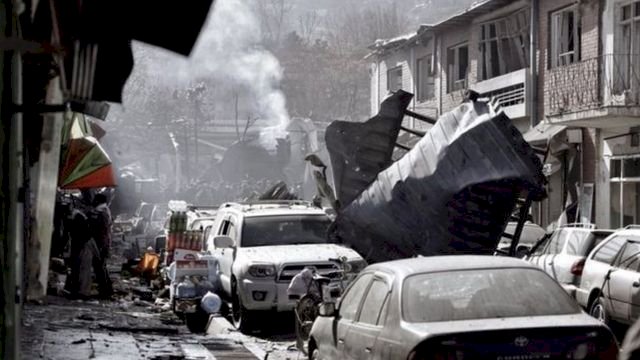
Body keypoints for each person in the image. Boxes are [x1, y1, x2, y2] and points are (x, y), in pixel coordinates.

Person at [87, 193, 113, 298]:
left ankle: (105, 291)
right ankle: (106, 290)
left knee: (100, 267)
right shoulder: (105, 210)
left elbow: (102, 229)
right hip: (103, 242)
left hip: (101, 243)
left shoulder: (102, 212)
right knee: (101, 266)